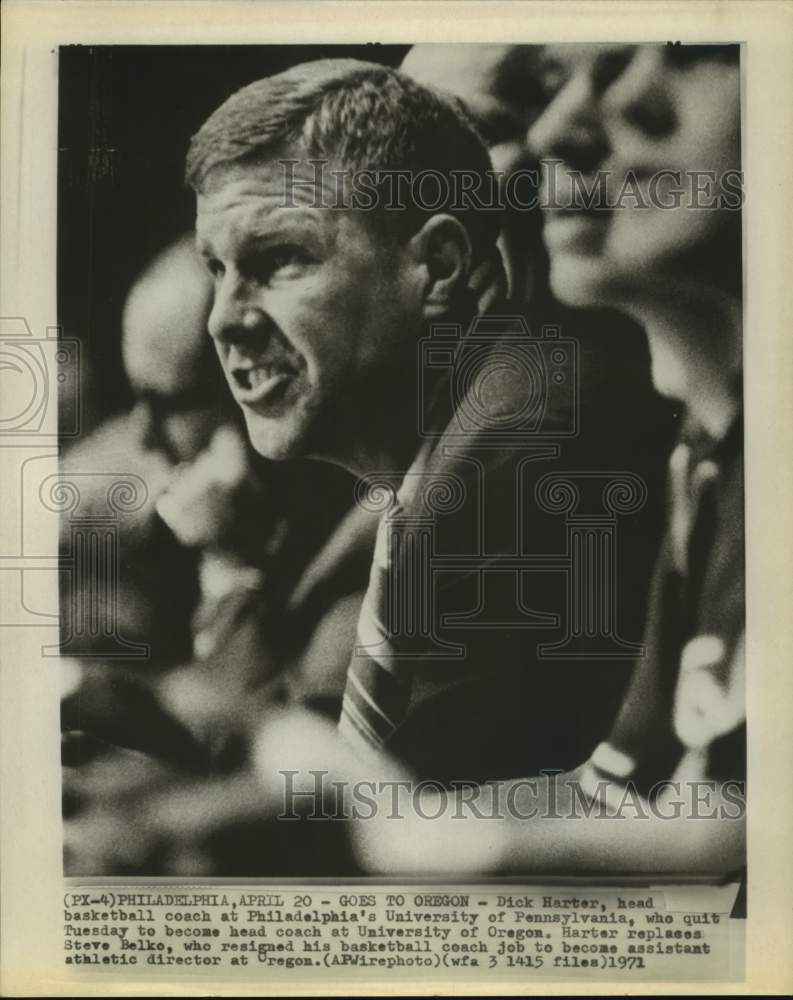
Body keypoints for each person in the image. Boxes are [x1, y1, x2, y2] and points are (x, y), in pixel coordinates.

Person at [255, 44, 745, 876]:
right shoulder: (701, 448)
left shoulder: (537, 414)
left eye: (451, 149)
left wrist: (360, 821)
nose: (569, 133)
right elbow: (641, 797)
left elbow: (719, 840)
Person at [185, 57, 655, 788]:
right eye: (215, 269)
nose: (225, 321)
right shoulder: (464, 429)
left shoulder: (511, 448)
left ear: (437, 265)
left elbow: (399, 850)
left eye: (278, 259)